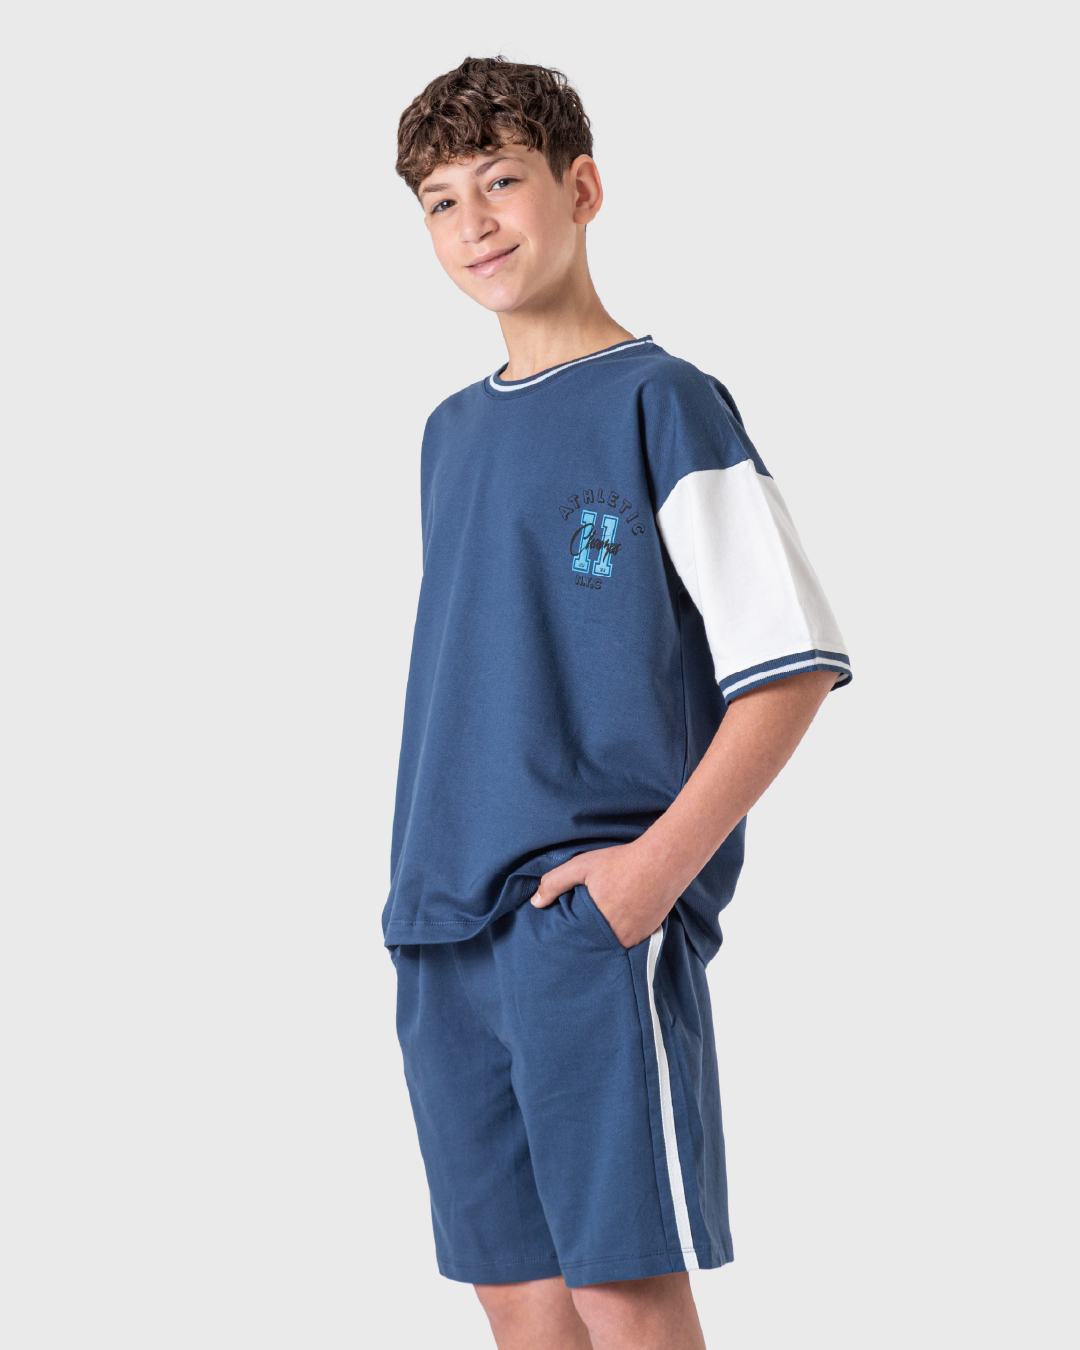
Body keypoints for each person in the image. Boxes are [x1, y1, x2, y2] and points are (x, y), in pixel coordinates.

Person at [384, 56, 850, 1350]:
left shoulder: (664, 402)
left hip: (583, 922)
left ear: (581, 188)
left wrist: (648, 878)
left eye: (501, 181)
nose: (473, 222)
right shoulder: (447, 434)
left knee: (622, 1298)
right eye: (439, 201)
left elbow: (792, 662)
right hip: (439, 921)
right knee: (524, 1308)